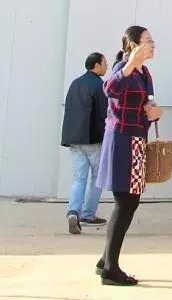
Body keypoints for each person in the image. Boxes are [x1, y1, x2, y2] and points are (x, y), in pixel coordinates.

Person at [95, 26, 161, 286]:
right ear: (132, 45)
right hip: (122, 140)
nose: (153, 44)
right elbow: (110, 89)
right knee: (124, 203)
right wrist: (129, 64)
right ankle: (111, 269)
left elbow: (147, 104)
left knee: (131, 202)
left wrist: (154, 112)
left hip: (137, 140)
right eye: (148, 40)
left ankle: (105, 261)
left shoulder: (145, 73)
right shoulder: (122, 68)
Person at [61, 52, 108, 234]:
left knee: (79, 178)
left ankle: (73, 212)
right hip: (93, 139)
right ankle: (88, 214)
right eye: (104, 64)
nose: (106, 67)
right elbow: (104, 114)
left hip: (74, 139)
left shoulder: (75, 83)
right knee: (97, 177)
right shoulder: (99, 86)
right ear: (96, 65)